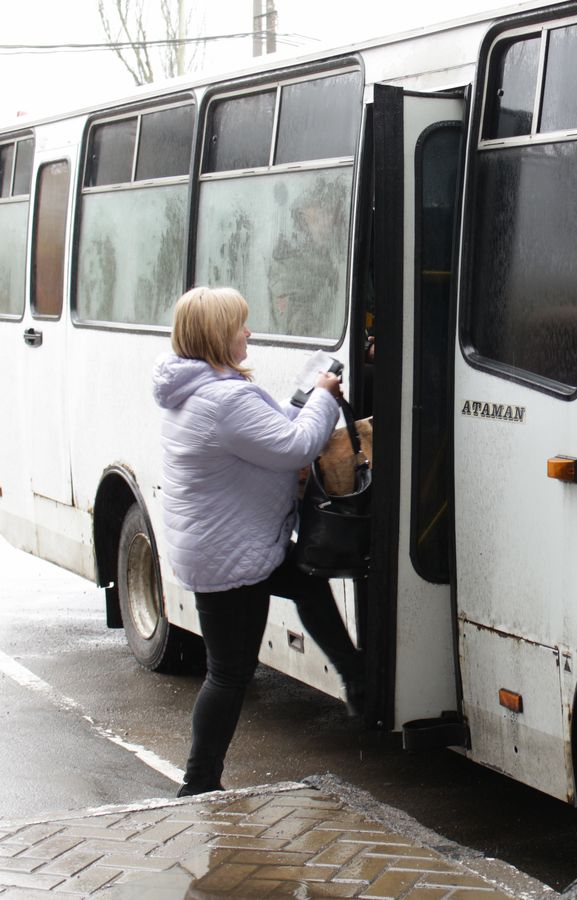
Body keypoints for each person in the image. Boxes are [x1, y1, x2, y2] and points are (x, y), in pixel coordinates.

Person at [152, 286, 365, 797]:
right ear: (217, 335)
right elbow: (295, 445)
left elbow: (271, 433)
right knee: (228, 674)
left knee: (307, 581)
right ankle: (198, 784)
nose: (248, 332)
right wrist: (322, 395)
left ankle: (359, 678)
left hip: (235, 544)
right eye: (240, 325)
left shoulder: (204, 389)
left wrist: (305, 398)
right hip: (230, 557)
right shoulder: (222, 399)